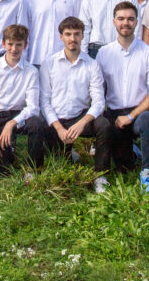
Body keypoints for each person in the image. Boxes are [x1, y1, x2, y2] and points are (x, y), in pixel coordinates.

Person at [95, 2, 149, 194]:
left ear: (136, 22)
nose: (126, 23)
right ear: (114, 22)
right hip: (115, 115)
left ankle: (148, 174)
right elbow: (99, 90)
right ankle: (134, 152)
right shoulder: (104, 53)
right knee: (124, 167)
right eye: (121, 19)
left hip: (140, 112)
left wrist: (131, 116)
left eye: (130, 19)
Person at [40, 17, 107, 192]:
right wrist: (58, 128)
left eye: (77, 34)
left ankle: (100, 174)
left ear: (83, 36)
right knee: (61, 161)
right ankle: (62, 156)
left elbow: (99, 102)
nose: (72, 38)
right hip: (56, 119)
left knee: (104, 124)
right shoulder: (49, 63)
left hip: (79, 117)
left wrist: (82, 123)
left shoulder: (92, 64)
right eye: (68, 34)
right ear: (61, 36)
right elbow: (44, 100)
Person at [0, 24, 47, 174]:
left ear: (25, 45)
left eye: (19, 45)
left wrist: (12, 123)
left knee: (36, 123)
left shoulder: (31, 71)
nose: (14, 49)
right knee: (1, 171)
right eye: (10, 44)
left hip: (20, 116)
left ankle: (33, 168)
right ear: (3, 44)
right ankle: (10, 151)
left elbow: (33, 107)